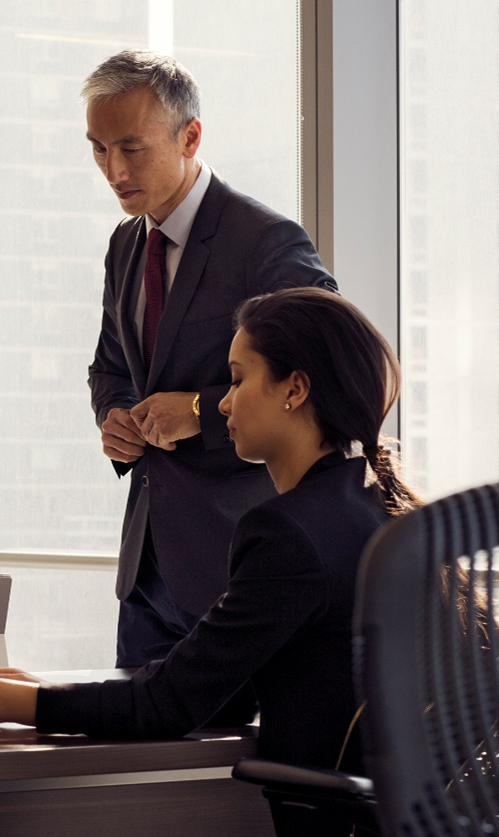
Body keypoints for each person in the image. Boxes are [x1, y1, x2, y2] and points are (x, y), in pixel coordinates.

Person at [0, 287, 424, 837]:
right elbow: (221, 690)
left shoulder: (290, 532)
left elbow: (170, 703)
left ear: (295, 389)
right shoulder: (381, 509)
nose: (220, 401)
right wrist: (28, 691)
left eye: (240, 378)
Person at [83, 50, 338, 674]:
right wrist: (115, 416)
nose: (112, 170)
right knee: (131, 763)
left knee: (230, 766)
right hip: (144, 575)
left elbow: (324, 369)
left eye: (131, 148)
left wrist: (199, 410)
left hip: (234, 559)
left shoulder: (264, 241)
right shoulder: (126, 243)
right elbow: (110, 367)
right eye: (97, 148)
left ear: (190, 136)